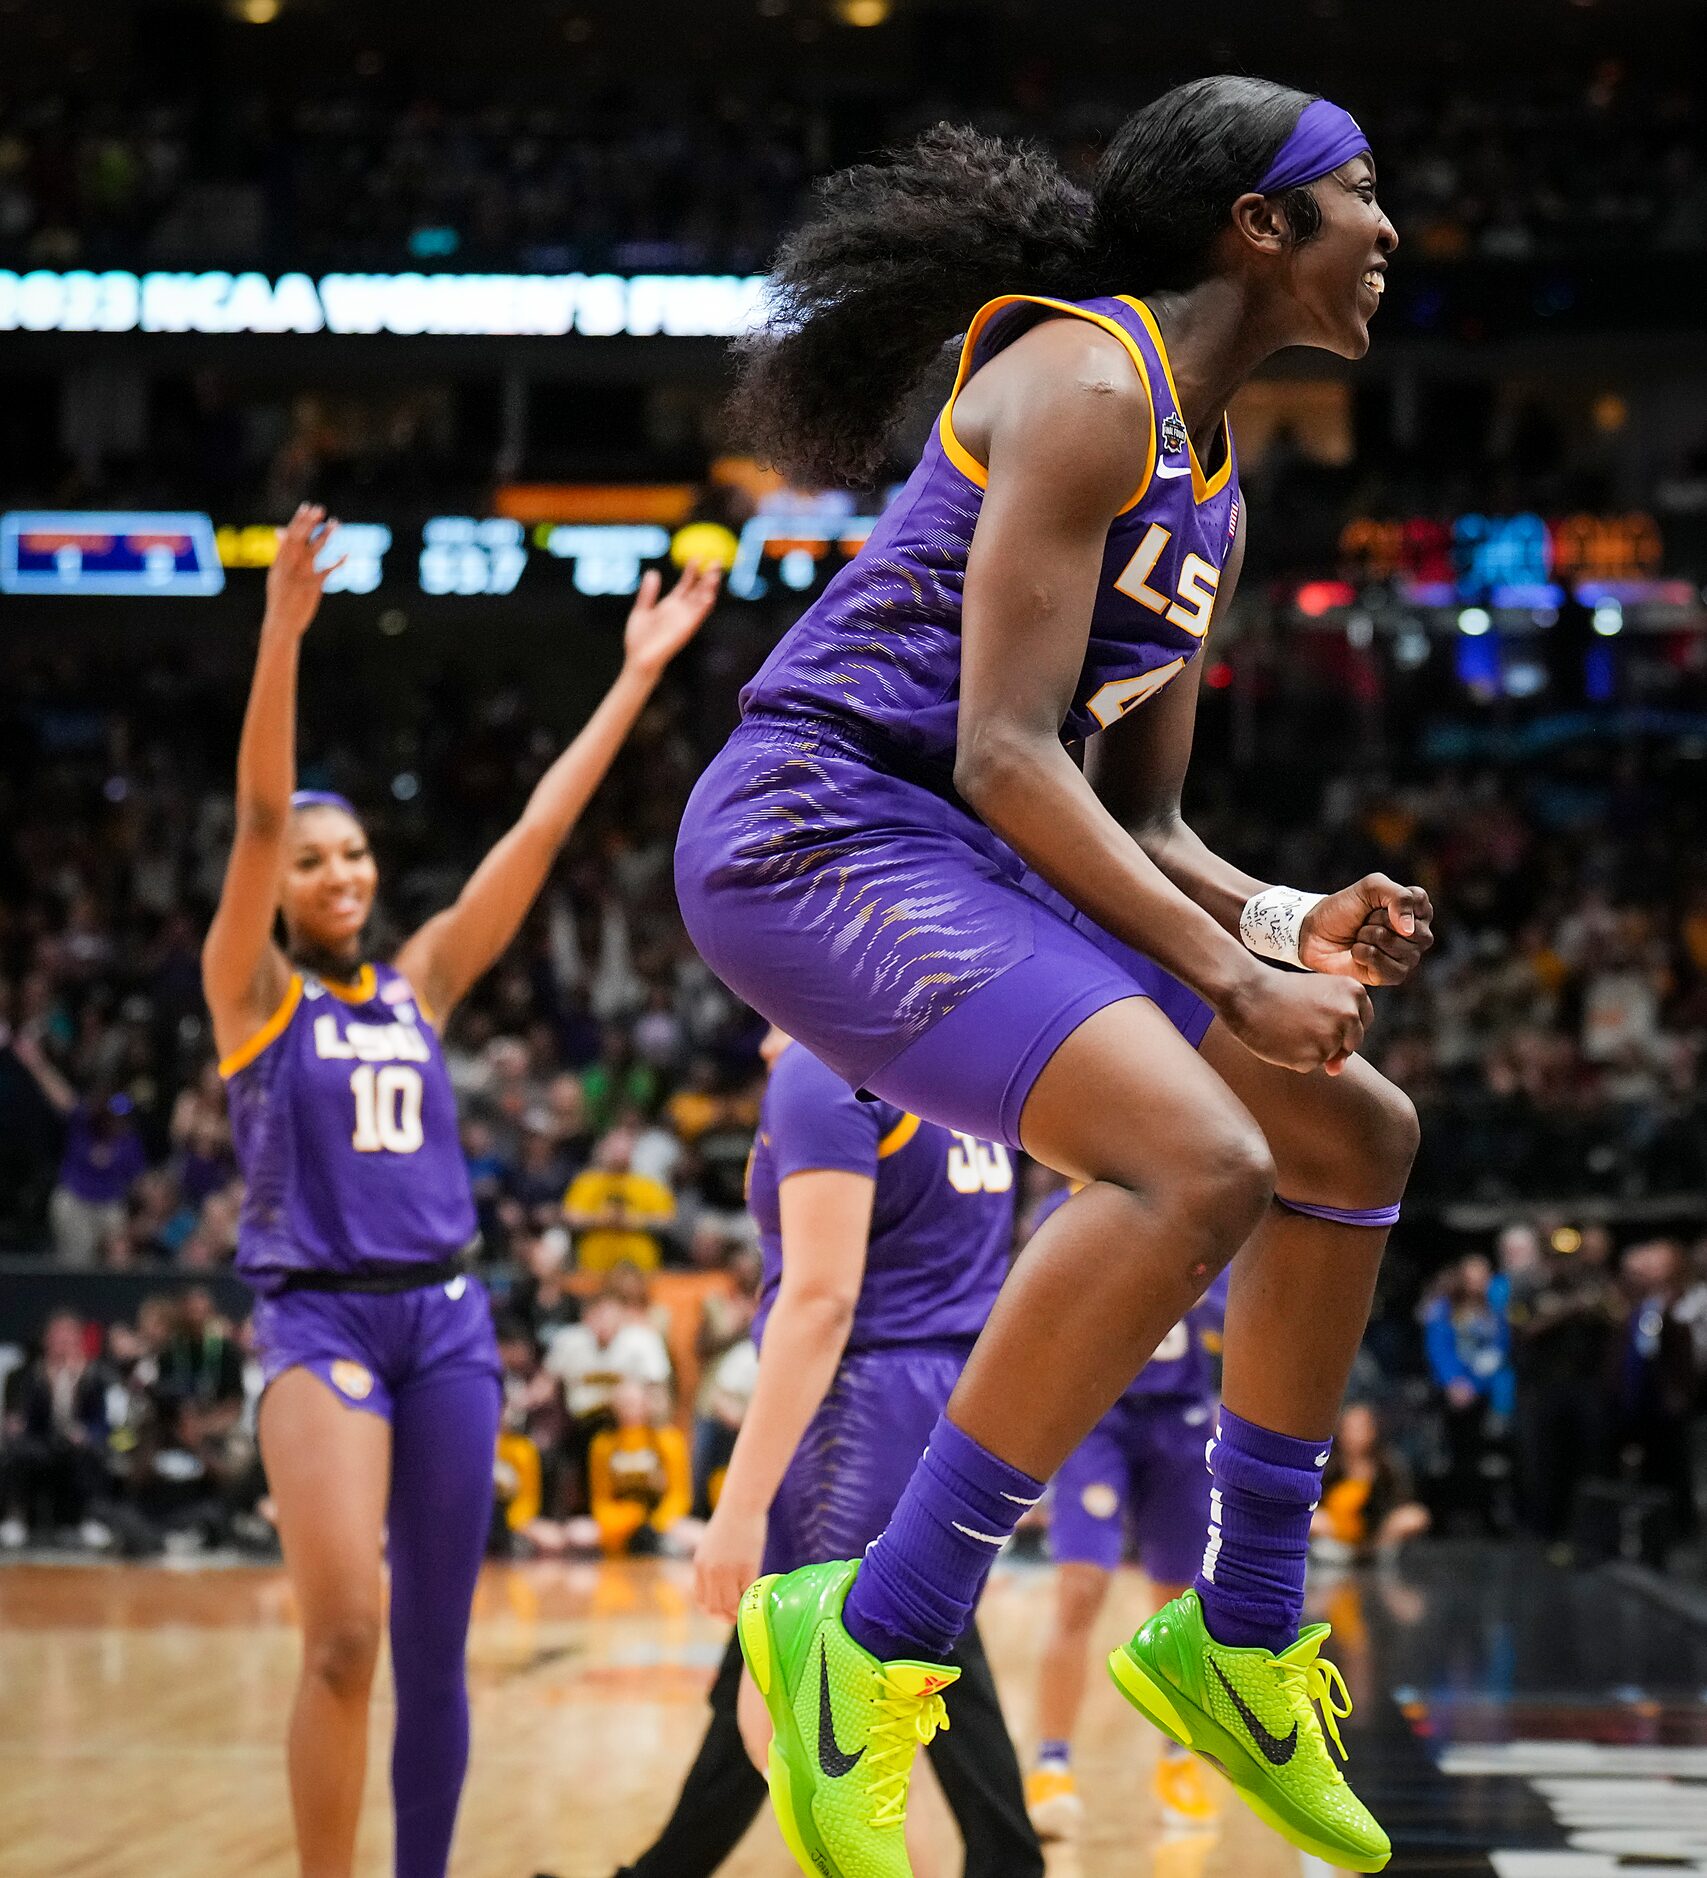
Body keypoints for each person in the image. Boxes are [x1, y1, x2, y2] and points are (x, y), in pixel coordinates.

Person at [674, 78, 1428, 1876]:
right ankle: (866, 1638)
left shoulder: (1212, 486)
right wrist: (1232, 989)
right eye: (1361, 193)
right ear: (1259, 223)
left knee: (1355, 1137)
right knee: (1200, 1158)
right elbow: (1009, 751)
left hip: (967, 851)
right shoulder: (1087, 388)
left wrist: (1283, 918)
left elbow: (1146, 820)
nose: (1389, 229)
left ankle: (1242, 1634)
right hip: (814, 827)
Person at [200, 505, 717, 1878]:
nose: (338, 872)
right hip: (319, 1323)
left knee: (434, 1647)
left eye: (351, 853)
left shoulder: (419, 981)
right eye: (313, 861)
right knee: (344, 1635)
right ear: (275, 889)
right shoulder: (247, 997)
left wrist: (636, 672)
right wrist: (282, 633)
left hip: (446, 1324)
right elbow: (259, 809)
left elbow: (538, 836)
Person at [611, 1030, 1042, 1878]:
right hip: (959, 1396)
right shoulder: (967, 1058)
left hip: (854, 1411)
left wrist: (733, 1510)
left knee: (810, 1729)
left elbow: (818, 1302)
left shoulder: (825, 1067)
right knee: (857, 1669)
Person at [1027, 1188, 1229, 1841]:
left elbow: (1232, 1304)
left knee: (1177, 1609)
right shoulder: (1063, 1204)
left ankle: (1178, 1761)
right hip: (1097, 1416)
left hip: (1180, 1419)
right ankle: (1051, 1766)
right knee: (1079, 1588)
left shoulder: (1201, 1186)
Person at [0, 1310, 114, 1548]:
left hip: (76, 1443)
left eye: (69, 1338)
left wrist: (86, 1432)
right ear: (46, 1340)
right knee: (19, 1453)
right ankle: (15, 1518)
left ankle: (90, 1519)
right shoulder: (27, 1374)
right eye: (57, 1337)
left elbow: (102, 1422)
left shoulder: (93, 1375)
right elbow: (23, 1417)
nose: (63, 1344)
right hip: (39, 1439)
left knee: (93, 1453)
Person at [1311, 1402, 1430, 1559]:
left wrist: (1389, 1525)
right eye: (1351, 1428)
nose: (1356, 1435)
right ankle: (1345, 1554)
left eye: (1361, 1428)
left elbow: (1402, 1501)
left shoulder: (1387, 1465)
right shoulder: (1329, 1464)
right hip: (1337, 1534)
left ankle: (1376, 1552)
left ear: (1373, 1430)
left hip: (1378, 1533)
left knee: (1415, 1516)